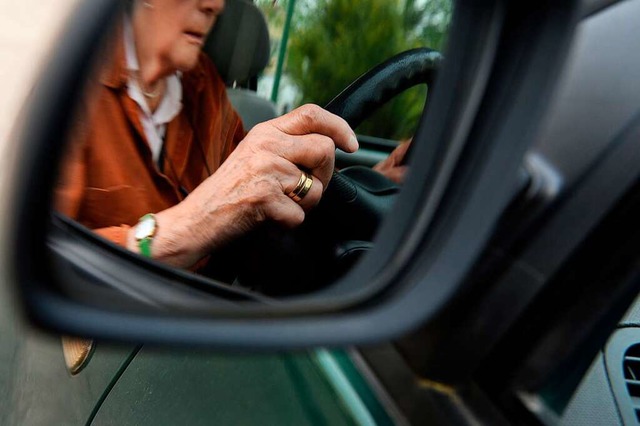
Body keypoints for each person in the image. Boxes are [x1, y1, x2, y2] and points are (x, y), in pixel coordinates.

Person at [56, 0, 409, 271]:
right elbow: (43, 263)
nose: (217, 5)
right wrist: (185, 229)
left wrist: (366, 189)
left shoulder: (203, 84)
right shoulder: (70, 94)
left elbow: (257, 187)